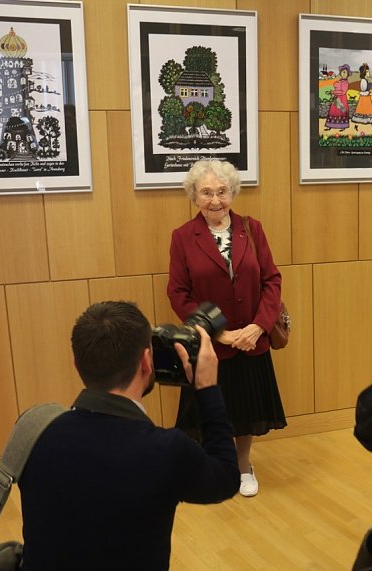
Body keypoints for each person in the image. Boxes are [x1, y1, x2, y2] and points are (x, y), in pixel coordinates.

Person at [19, 301, 239, 571]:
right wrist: (207, 387)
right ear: (147, 362)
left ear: (77, 364)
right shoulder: (165, 451)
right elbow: (227, 478)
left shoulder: (32, 430)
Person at [168, 158, 286, 498]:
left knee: (246, 410)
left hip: (251, 341)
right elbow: (178, 292)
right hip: (209, 342)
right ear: (194, 196)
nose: (216, 200)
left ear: (233, 192)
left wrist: (258, 327)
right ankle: (209, 466)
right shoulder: (183, 238)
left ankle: (243, 465)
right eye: (206, 192)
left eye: (222, 191)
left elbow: (271, 280)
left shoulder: (252, 229)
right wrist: (216, 332)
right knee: (208, 408)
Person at [325, 64, 350, 129]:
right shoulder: (339, 81)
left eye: (345, 72)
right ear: (340, 73)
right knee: (333, 111)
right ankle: (331, 125)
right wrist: (332, 92)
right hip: (336, 98)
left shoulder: (345, 82)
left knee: (342, 111)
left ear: (347, 74)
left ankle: (343, 126)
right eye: (343, 72)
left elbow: (343, 92)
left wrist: (333, 92)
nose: (344, 73)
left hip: (342, 99)